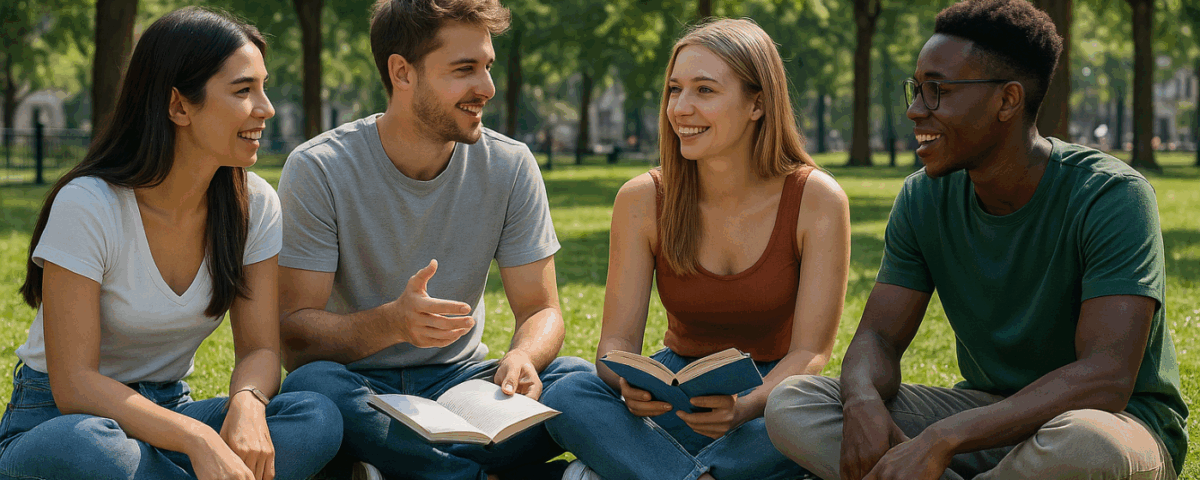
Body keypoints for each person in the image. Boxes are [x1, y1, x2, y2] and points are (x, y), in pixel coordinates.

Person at [764, 1, 1188, 479]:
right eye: (916, 89)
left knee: (1088, 445)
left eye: (936, 91)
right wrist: (861, 401)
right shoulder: (923, 198)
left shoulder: (1111, 196)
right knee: (793, 403)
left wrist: (945, 437)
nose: (914, 109)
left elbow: (1105, 378)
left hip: (1112, 424)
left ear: (1007, 101)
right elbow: (878, 337)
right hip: (988, 413)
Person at [0, 7, 343, 480]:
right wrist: (197, 438)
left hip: (167, 408)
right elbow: (74, 386)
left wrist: (246, 403)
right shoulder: (89, 204)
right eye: (244, 90)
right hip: (61, 420)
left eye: (262, 88)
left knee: (314, 417)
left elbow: (261, 350)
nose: (265, 108)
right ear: (179, 106)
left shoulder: (255, 204)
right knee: (86, 448)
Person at [273, 0, 592, 479]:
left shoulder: (510, 164)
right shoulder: (319, 168)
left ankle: (402, 468)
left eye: (487, 67)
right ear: (402, 72)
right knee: (314, 387)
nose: (486, 88)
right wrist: (392, 324)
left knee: (576, 381)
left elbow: (541, 310)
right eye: (464, 69)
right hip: (363, 387)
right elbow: (295, 338)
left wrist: (524, 355)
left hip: (465, 383)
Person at [539, 18, 850, 480]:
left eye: (705, 90)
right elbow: (616, 345)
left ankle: (643, 467)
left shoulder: (817, 200)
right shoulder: (641, 199)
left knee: (828, 421)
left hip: (770, 399)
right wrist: (626, 383)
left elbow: (809, 354)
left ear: (758, 104)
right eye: (674, 90)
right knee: (567, 394)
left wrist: (745, 407)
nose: (681, 108)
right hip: (672, 398)